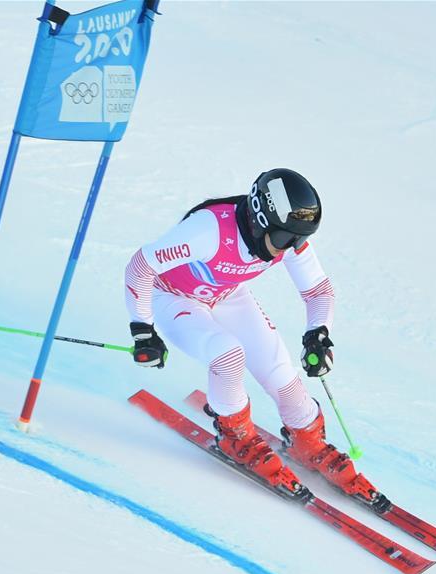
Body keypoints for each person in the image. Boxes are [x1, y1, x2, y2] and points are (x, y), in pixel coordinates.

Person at [124, 168, 378, 503]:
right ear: (259, 221)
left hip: (227, 294)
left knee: (281, 372)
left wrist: (318, 333)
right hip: (174, 297)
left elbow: (318, 290)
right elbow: (142, 265)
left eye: (298, 239)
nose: (292, 247)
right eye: (287, 239)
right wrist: (143, 330)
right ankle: (235, 434)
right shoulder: (208, 230)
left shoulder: (288, 237)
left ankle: (308, 440)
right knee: (227, 355)